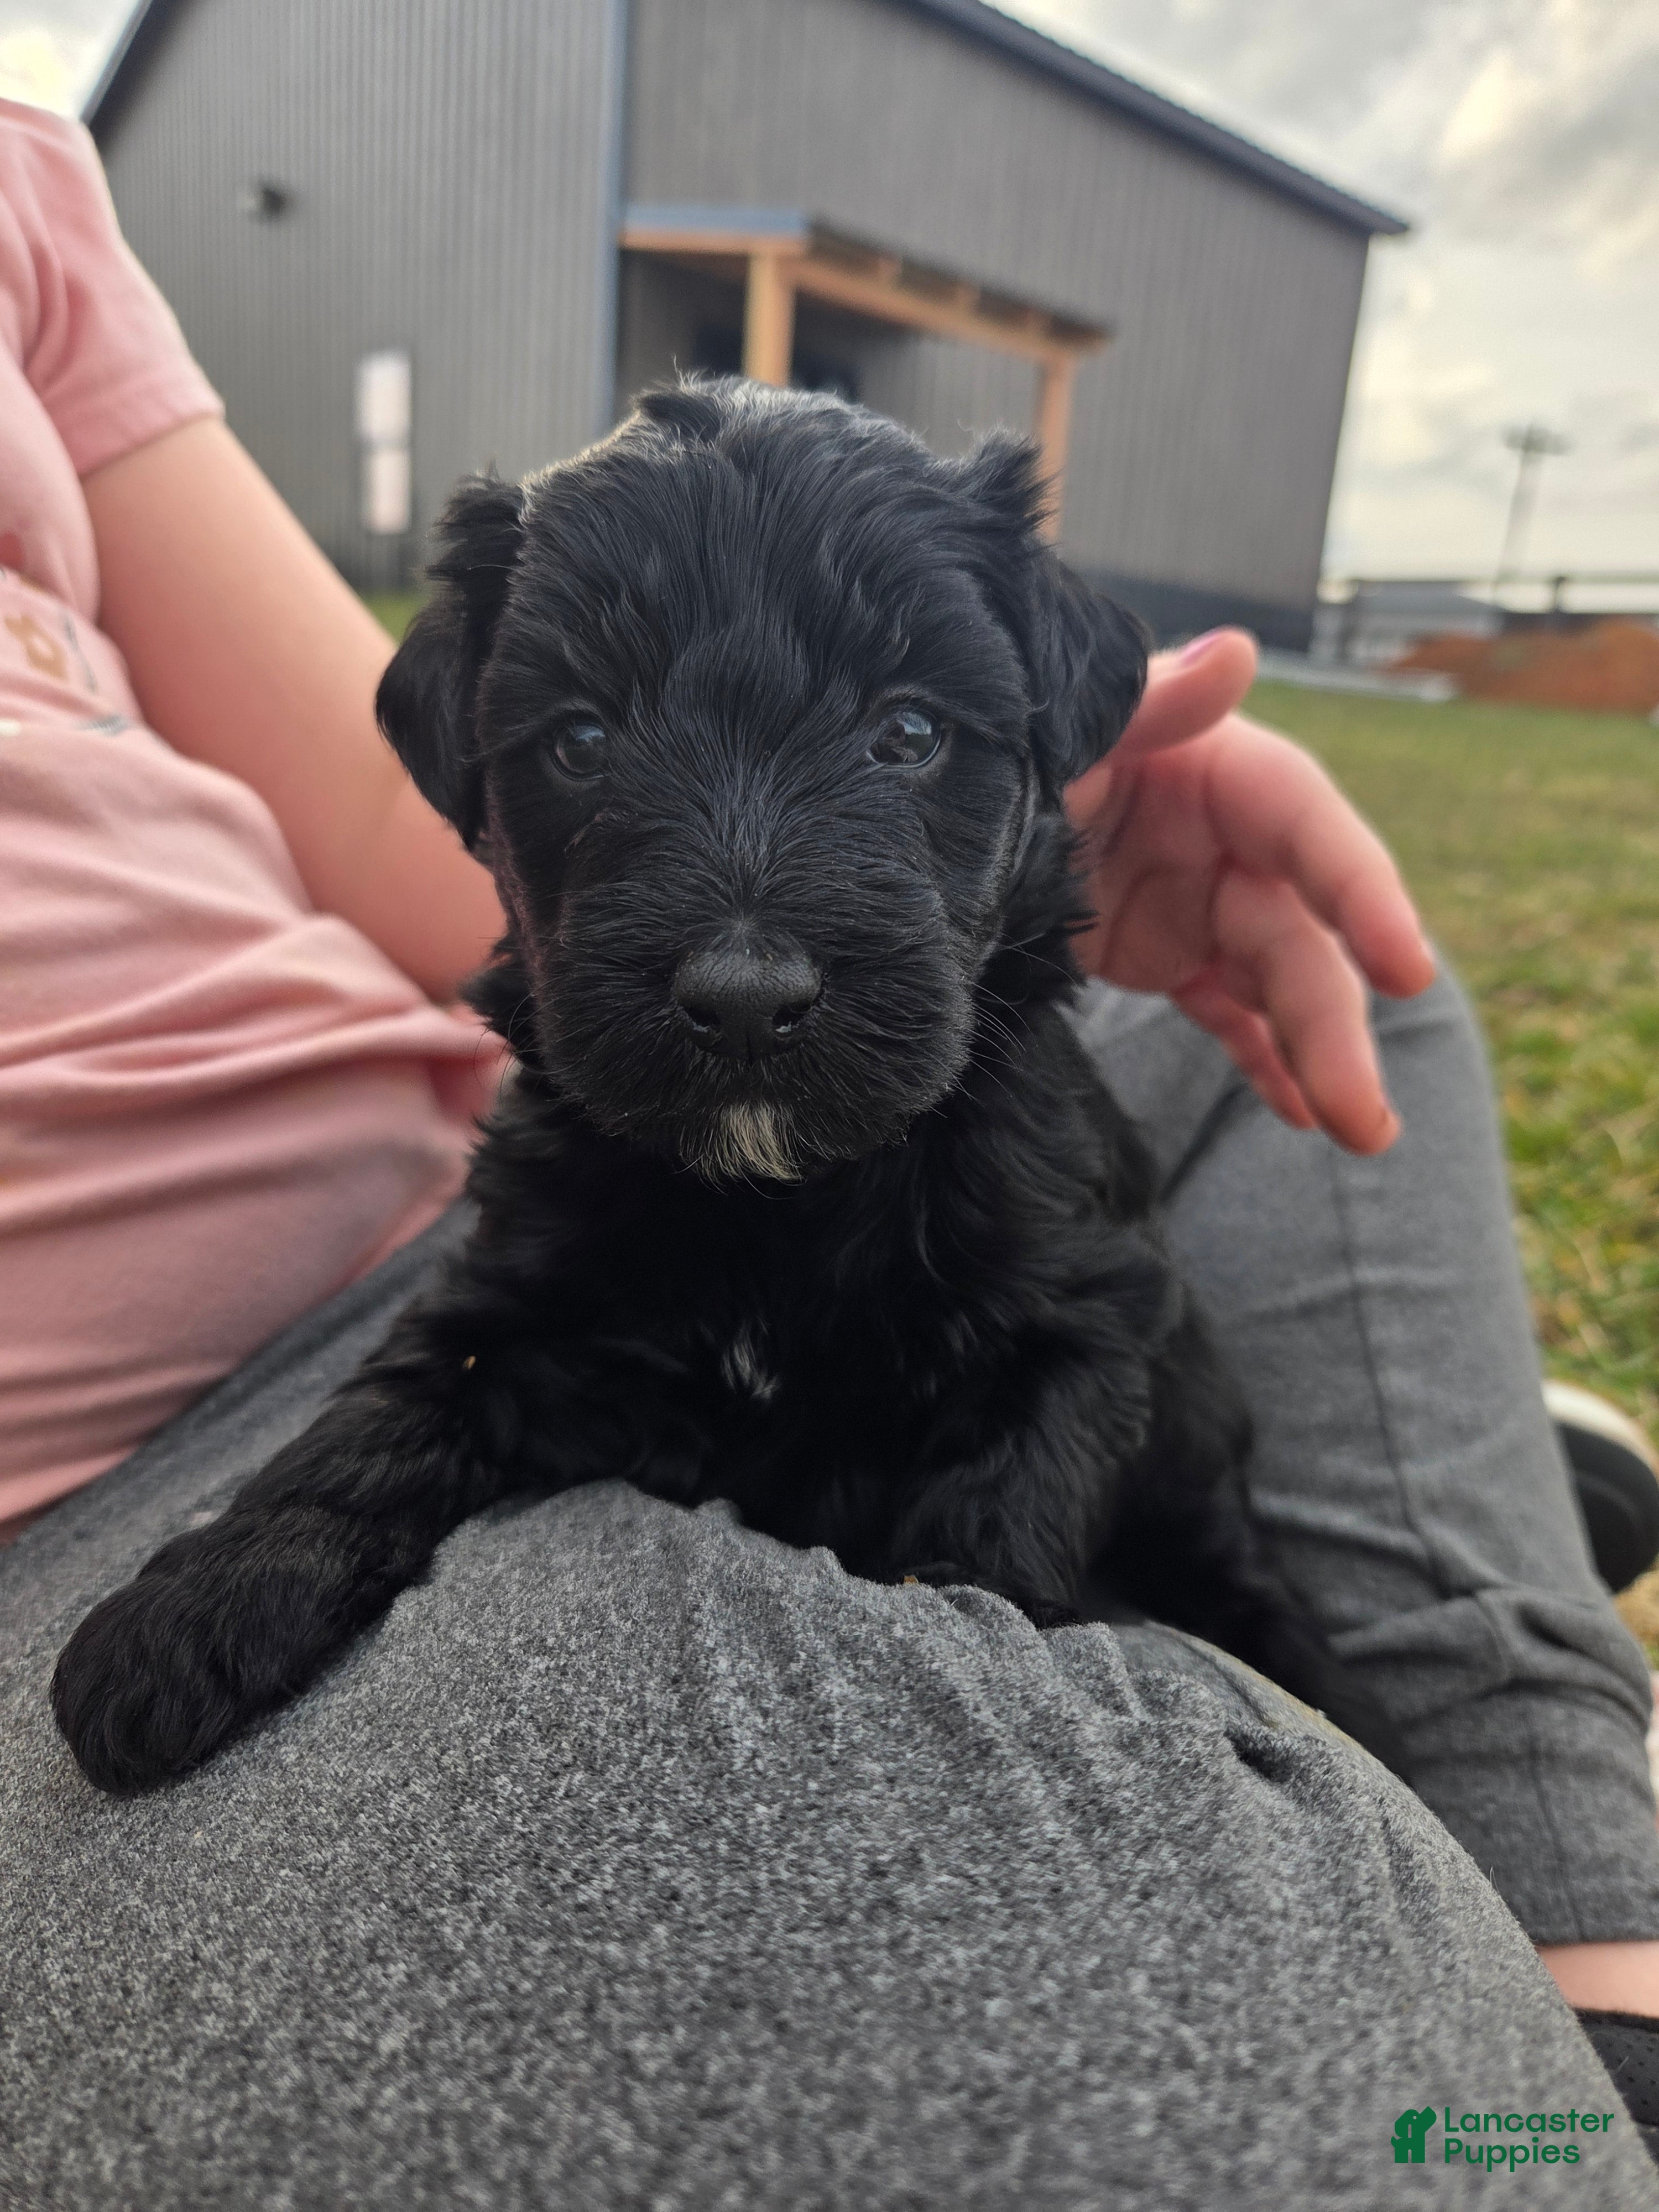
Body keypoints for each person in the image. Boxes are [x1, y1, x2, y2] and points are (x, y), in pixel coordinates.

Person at [2, 98, 1657, 2207]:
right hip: (231, 1388)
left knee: (1324, 957)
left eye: (905, 741)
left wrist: (968, 1598)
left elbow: (1075, 1345)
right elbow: (476, 1356)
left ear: (1032, 743)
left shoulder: (25, 199)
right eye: (587, 743)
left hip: (889, 1300)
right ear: (499, 760)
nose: (752, 944)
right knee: (1119, 1993)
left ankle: (1590, 1940)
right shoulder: (558, 1134)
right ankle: (1490, 1988)